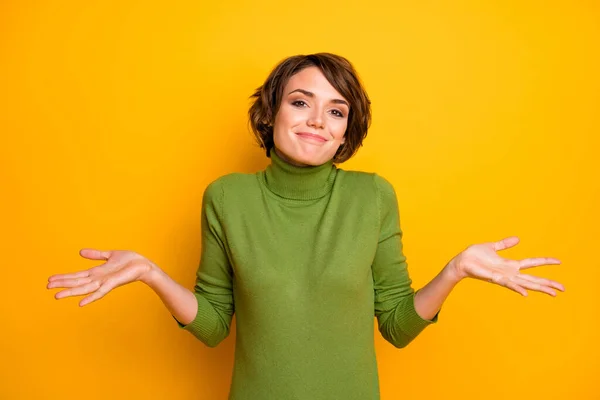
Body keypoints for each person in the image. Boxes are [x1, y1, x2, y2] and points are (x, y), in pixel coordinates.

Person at [47, 53, 565, 399]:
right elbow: (211, 326)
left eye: (336, 111)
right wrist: (152, 275)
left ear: (346, 131)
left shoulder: (373, 196)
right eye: (301, 102)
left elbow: (398, 326)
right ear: (271, 113)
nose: (318, 120)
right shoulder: (228, 197)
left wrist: (454, 271)